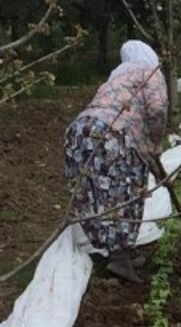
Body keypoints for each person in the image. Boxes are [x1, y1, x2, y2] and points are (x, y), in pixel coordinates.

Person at [64, 40, 168, 283]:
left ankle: (117, 252)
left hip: (79, 132)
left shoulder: (117, 76)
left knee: (94, 193)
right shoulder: (151, 72)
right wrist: (156, 140)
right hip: (111, 135)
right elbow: (157, 110)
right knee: (123, 191)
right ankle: (119, 258)